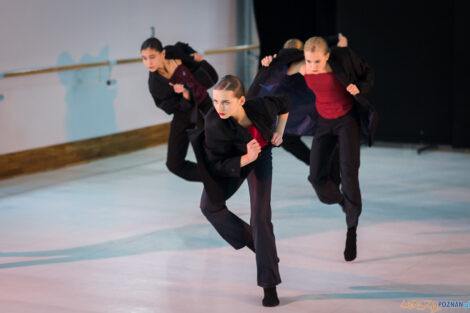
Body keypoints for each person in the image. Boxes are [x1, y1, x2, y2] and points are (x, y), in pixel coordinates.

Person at [188, 75, 289, 307]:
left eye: (225, 102)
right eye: (215, 101)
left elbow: (285, 104)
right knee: (208, 207)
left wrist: (280, 131)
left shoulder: (261, 107)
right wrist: (244, 158)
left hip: (261, 158)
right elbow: (214, 165)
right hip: (234, 162)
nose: (218, 108)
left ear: (241, 100)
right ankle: (263, 250)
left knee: (260, 217)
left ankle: (269, 285)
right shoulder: (214, 123)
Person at [300, 36, 377, 261]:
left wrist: (358, 88)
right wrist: (268, 63)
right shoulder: (302, 67)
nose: (312, 67)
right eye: (309, 61)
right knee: (315, 177)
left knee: (349, 172)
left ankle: (351, 230)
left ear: (327, 57)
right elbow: (277, 70)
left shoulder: (340, 64)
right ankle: (343, 201)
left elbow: (368, 73)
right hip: (324, 122)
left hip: (346, 121)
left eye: (317, 62)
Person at [141, 37, 218, 181]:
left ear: (163, 54)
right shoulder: (155, 84)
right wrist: (185, 95)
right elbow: (171, 107)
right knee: (174, 164)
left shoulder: (173, 51)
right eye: (144, 58)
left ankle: (219, 180)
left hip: (204, 104)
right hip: (184, 114)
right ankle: (211, 177)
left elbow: (183, 45)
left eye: (152, 57)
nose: (148, 63)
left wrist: (194, 54)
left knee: (211, 152)